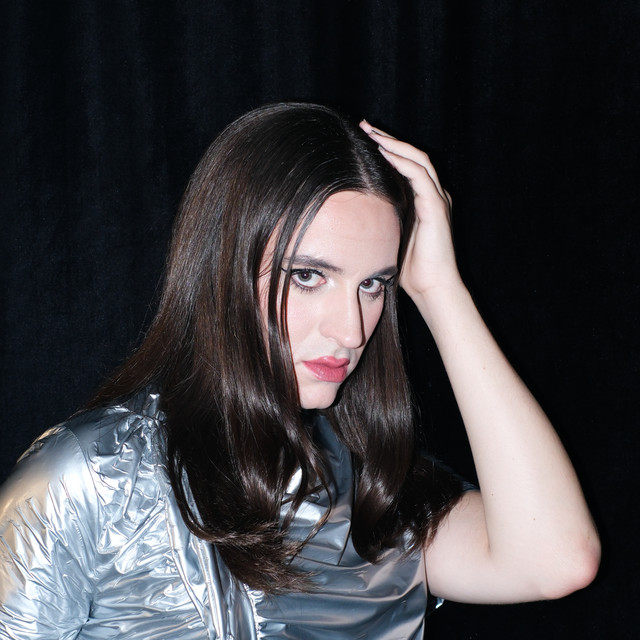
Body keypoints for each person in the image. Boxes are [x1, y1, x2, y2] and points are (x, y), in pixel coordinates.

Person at [0, 103, 599, 639]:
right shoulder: (89, 479)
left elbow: (557, 559)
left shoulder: (376, 496)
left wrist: (440, 289)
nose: (351, 330)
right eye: (308, 276)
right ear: (224, 269)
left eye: (374, 285)